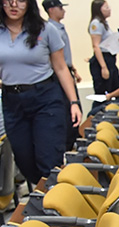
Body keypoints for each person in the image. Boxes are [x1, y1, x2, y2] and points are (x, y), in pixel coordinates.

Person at [0, 0, 81, 185]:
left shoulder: (45, 29)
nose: (14, 5)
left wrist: (74, 102)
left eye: (20, 1)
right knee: (24, 160)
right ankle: (44, 198)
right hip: (12, 100)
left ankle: (53, 206)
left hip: (45, 98)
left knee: (49, 160)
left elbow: (61, 68)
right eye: (9, 0)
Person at [42, 0, 80, 151]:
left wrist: (73, 70)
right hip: (58, 76)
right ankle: (68, 147)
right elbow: (55, 61)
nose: (63, 11)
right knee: (67, 110)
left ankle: (73, 143)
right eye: (60, 8)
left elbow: (64, 57)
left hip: (66, 71)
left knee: (74, 108)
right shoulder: (49, 29)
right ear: (51, 10)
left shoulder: (59, 27)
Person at [88, 0, 119, 108]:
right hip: (104, 61)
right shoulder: (96, 24)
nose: (109, 9)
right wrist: (103, 67)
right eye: (106, 7)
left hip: (110, 59)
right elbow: (96, 46)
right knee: (103, 94)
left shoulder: (104, 23)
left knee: (115, 89)